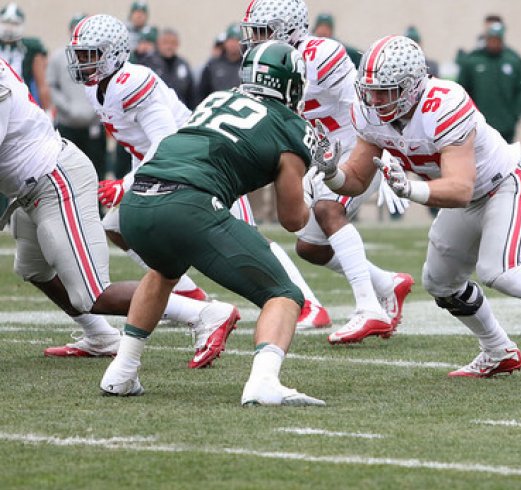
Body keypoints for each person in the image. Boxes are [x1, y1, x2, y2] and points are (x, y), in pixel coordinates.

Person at [314, 35, 521, 383]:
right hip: (467, 194)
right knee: (439, 281)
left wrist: (412, 188)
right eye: (370, 90)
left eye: (386, 91)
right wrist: (331, 172)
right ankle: (498, 350)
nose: (375, 100)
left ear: (413, 86)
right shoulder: (369, 113)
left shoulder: (443, 103)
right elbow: (355, 180)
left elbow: (460, 188)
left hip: (504, 183)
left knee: (499, 271)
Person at [100, 41, 325, 407]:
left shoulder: (216, 99)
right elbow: (292, 218)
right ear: (292, 84)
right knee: (284, 294)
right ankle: (264, 382)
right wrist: (311, 186)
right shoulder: (290, 126)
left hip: (137, 200)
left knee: (162, 271)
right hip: (189, 204)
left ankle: (121, 371)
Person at [70, 14, 321, 331]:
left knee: (252, 236)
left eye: (89, 54)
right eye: (79, 54)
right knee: (117, 226)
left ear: (114, 52)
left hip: (202, 164)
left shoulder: (131, 82)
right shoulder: (96, 88)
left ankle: (310, 304)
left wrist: (127, 184)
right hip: (165, 166)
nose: (81, 62)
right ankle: (191, 294)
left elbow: (164, 139)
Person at [0, 48, 239, 367]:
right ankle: (100, 336)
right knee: (34, 269)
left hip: (54, 179)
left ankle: (205, 313)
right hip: (27, 186)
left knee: (91, 293)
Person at [240, 0, 413, 340]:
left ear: (289, 28)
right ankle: (388, 284)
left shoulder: (322, 54)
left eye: (264, 31)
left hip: (356, 149)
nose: (255, 40)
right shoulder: (264, 64)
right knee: (310, 248)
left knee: (328, 208)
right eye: (254, 32)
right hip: (321, 157)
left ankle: (369, 309)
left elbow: (368, 105)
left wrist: (388, 152)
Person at [47, 14, 106, 177]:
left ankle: (96, 203)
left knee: (95, 171)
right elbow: (52, 86)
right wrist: (67, 108)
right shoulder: (59, 57)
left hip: (94, 125)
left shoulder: (101, 55)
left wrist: (96, 109)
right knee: (67, 171)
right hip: (68, 123)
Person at [457, 21, 521, 143]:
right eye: (491, 39)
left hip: (506, 125)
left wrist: (515, 115)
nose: (494, 43)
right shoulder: (473, 61)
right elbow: (462, 90)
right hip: (479, 124)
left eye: (497, 40)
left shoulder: (513, 60)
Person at [0, 3, 50, 110]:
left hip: (21, 103)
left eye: (14, 24)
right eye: (6, 23)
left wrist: (47, 111)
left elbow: (42, 85)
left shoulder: (31, 48)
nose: (9, 29)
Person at [143, 28, 194, 108]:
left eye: (173, 43)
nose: (169, 46)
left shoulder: (183, 65)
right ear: (158, 43)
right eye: (165, 42)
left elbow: (191, 94)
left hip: (180, 113)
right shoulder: (147, 63)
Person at [197, 23, 243, 101]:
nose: (234, 44)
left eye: (237, 40)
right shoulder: (213, 65)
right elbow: (201, 93)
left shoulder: (247, 65)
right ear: (225, 42)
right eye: (231, 40)